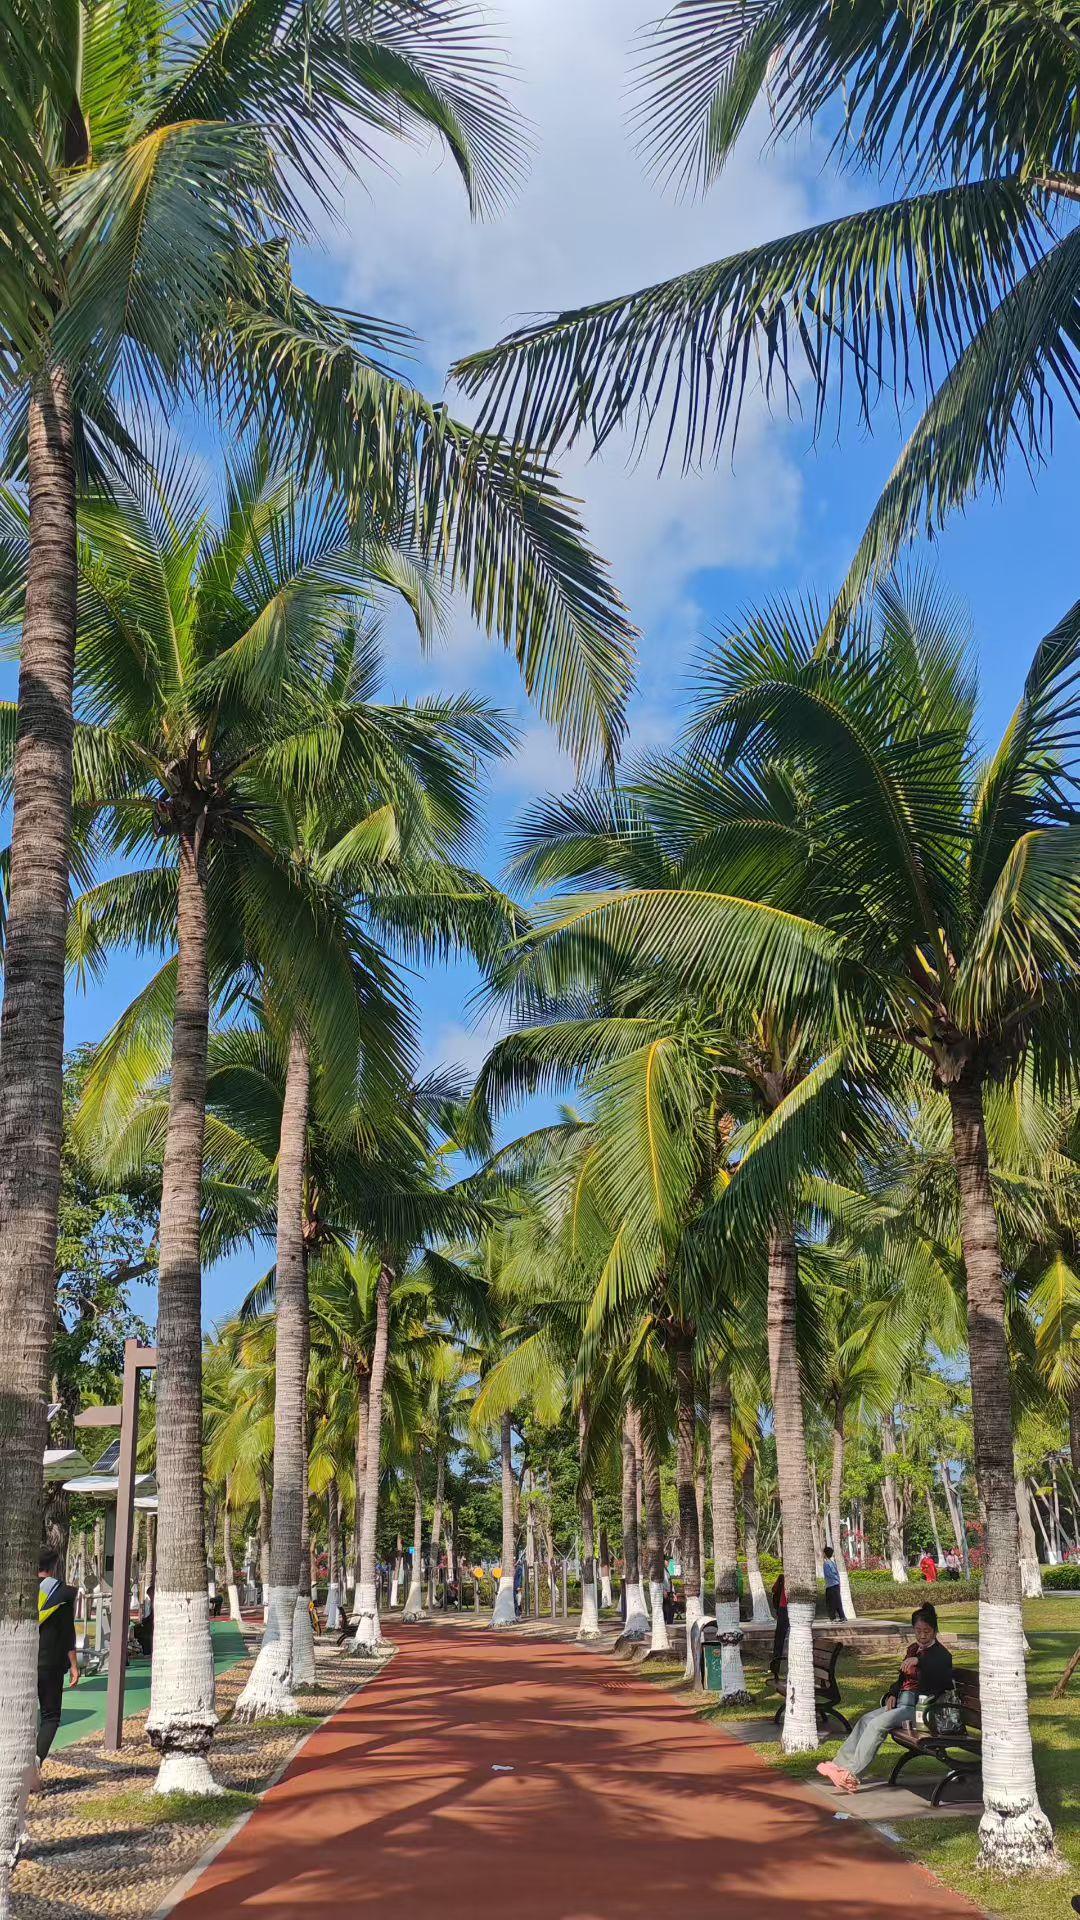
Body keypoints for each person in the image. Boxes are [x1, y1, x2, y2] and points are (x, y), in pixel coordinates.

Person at [817, 1604, 953, 1792]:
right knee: (866, 1720)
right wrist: (892, 1693)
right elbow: (902, 1679)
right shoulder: (913, 1649)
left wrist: (920, 1661)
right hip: (902, 1703)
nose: (922, 1636)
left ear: (935, 1631)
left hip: (921, 1709)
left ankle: (852, 1773)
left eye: (927, 1632)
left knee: (877, 1724)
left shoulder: (941, 1655)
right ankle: (839, 1764)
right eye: (918, 1631)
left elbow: (939, 1670)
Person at [37, 1548, 79, 1770]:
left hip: (16, 1664)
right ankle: (35, 1761)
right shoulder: (64, 1594)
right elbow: (67, 1633)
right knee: (50, 1716)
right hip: (50, 1664)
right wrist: (74, 1665)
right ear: (53, 1567)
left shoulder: (14, 1588)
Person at [769, 1571, 789, 1675]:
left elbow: (774, 1589)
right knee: (780, 1638)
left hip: (784, 1609)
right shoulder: (783, 1577)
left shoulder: (783, 1577)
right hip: (785, 1609)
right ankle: (775, 1666)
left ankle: (775, 1666)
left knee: (779, 1639)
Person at [133, 1579, 154, 1657]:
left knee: (140, 1632)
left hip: (151, 1626)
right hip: (149, 1624)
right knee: (136, 1628)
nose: (150, 1597)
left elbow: (153, 1616)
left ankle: (147, 1651)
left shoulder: (156, 1603)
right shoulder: (152, 1602)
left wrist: (144, 1621)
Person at [823, 1545, 844, 1621]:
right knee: (837, 1601)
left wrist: (835, 1579)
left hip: (831, 1585)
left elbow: (829, 1574)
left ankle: (833, 1618)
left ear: (825, 1554)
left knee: (831, 1602)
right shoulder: (832, 1563)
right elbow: (836, 1573)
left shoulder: (826, 1563)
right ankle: (842, 1616)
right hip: (835, 1584)